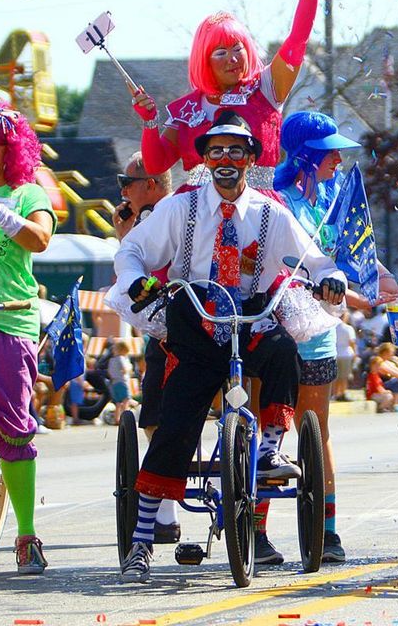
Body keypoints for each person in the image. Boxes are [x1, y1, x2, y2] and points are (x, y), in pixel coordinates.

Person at [114, 111, 346, 582]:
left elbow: (314, 257)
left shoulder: (269, 212)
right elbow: (132, 250)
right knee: (177, 419)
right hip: (196, 318)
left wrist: (329, 277)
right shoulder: (179, 208)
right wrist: (135, 278)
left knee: (282, 350)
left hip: (252, 316)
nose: (226, 159)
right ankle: (140, 542)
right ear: (203, 159)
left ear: (250, 159)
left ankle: (270, 449)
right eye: (216, 150)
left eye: (236, 151)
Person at [272, 110, 398, 563]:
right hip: (278, 329)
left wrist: (384, 280)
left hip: (322, 330)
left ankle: (326, 530)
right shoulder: (279, 201)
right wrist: (354, 296)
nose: (337, 160)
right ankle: (256, 530)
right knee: (270, 427)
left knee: (318, 429)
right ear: (305, 155)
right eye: (329, 153)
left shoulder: (333, 196)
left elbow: (356, 252)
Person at [130, 0, 319, 197]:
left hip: (256, 212)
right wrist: (150, 122)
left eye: (238, 49)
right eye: (221, 52)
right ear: (204, 61)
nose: (233, 59)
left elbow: (298, 39)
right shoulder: (187, 109)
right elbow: (156, 164)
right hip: (197, 214)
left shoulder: (266, 89)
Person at [0, 103, 56, 573]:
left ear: (10, 150)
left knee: (11, 428)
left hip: (7, 319)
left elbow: (39, 240)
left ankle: (26, 536)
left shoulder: (26, 193)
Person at [110, 151, 181, 542]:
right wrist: (126, 237)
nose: (123, 191)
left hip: (186, 325)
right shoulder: (147, 222)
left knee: (155, 415)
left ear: (151, 185)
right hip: (165, 330)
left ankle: (166, 513)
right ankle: (166, 512)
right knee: (153, 415)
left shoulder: (170, 213)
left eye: (128, 182)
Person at [107, 339, 133, 422]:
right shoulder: (122, 358)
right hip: (122, 382)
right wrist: (128, 370)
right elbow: (125, 369)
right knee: (126, 400)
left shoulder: (111, 360)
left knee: (118, 402)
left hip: (114, 382)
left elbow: (109, 372)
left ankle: (116, 418)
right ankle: (125, 418)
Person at [333, 313, 356, 401]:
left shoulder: (333, 328)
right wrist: (354, 352)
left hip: (335, 353)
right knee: (344, 376)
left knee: (336, 376)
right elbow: (352, 342)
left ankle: (335, 394)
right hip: (346, 353)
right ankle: (342, 393)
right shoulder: (348, 328)